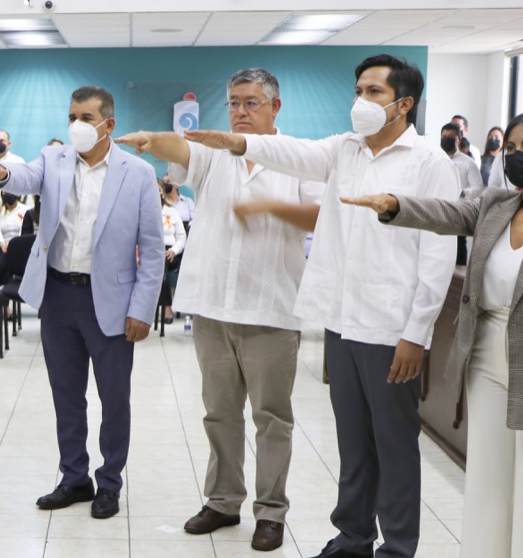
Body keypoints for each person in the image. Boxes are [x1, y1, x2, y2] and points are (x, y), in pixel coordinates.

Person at [180, 55, 459, 558]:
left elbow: (438, 256)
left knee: (394, 444)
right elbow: (293, 152)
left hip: (392, 328)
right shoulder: (345, 150)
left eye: (374, 92)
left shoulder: (429, 163)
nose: (361, 100)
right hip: (344, 322)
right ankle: (353, 537)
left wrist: (417, 333)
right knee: (352, 443)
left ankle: (398, 546)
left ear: (404, 104)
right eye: (359, 90)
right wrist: (236, 142)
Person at [343, 109, 523, 558]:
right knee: (487, 482)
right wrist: (394, 204)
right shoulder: (495, 205)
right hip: (486, 358)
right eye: (512, 147)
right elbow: (445, 213)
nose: (518, 156)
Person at [117, 67, 322, 552]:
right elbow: (180, 148)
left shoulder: (299, 158)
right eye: (233, 103)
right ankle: (224, 501)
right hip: (213, 308)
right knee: (220, 413)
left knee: (272, 418)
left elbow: (321, 215)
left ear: (275, 107)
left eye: (251, 102)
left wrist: (270, 209)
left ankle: (270, 511)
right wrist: (151, 139)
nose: (240, 112)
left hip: (271, 310)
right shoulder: (216, 154)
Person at [0, 85, 165, 520]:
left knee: (114, 397)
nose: (77, 125)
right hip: (58, 295)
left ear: (108, 124)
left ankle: (109, 482)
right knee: (66, 394)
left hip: (111, 299)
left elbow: (153, 249)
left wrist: (142, 308)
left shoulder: (137, 173)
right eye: (72, 117)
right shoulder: (54, 159)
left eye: (86, 118)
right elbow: (23, 177)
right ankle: (74, 477)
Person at [442, 123, 484, 265]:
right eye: (444, 137)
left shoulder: (468, 163)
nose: (446, 139)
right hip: (439, 208)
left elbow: (479, 188)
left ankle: (459, 274)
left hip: (459, 211)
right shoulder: (436, 159)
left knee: (458, 247)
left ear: (459, 140)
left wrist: (462, 193)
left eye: (450, 137)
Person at [157, 184, 187, 324]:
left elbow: (181, 238)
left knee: (162, 264)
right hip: (152, 252)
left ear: (164, 194)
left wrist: (174, 250)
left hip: (171, 252)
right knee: (159, 263)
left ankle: (167, 307)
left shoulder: (172, 212)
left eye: (159, 190)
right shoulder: (145, 210)